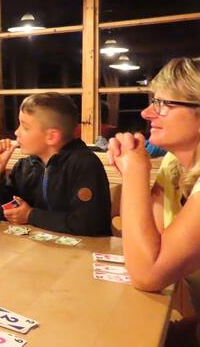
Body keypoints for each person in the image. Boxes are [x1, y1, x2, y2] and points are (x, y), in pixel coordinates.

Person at [107, 58, 200, 345]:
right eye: (152, 101)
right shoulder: (174, 164)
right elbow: (147, 245)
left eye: (163, 104)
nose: (146, 113)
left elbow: (147, 273)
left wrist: (136, 170)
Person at [0, 92, 111, 236]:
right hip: (36, 247)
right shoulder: (25, 167)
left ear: (51, 136)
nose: (16, 132)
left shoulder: (85, 165)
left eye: (25, 127)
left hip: (84, 248)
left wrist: (30, 215)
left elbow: (89, 224)